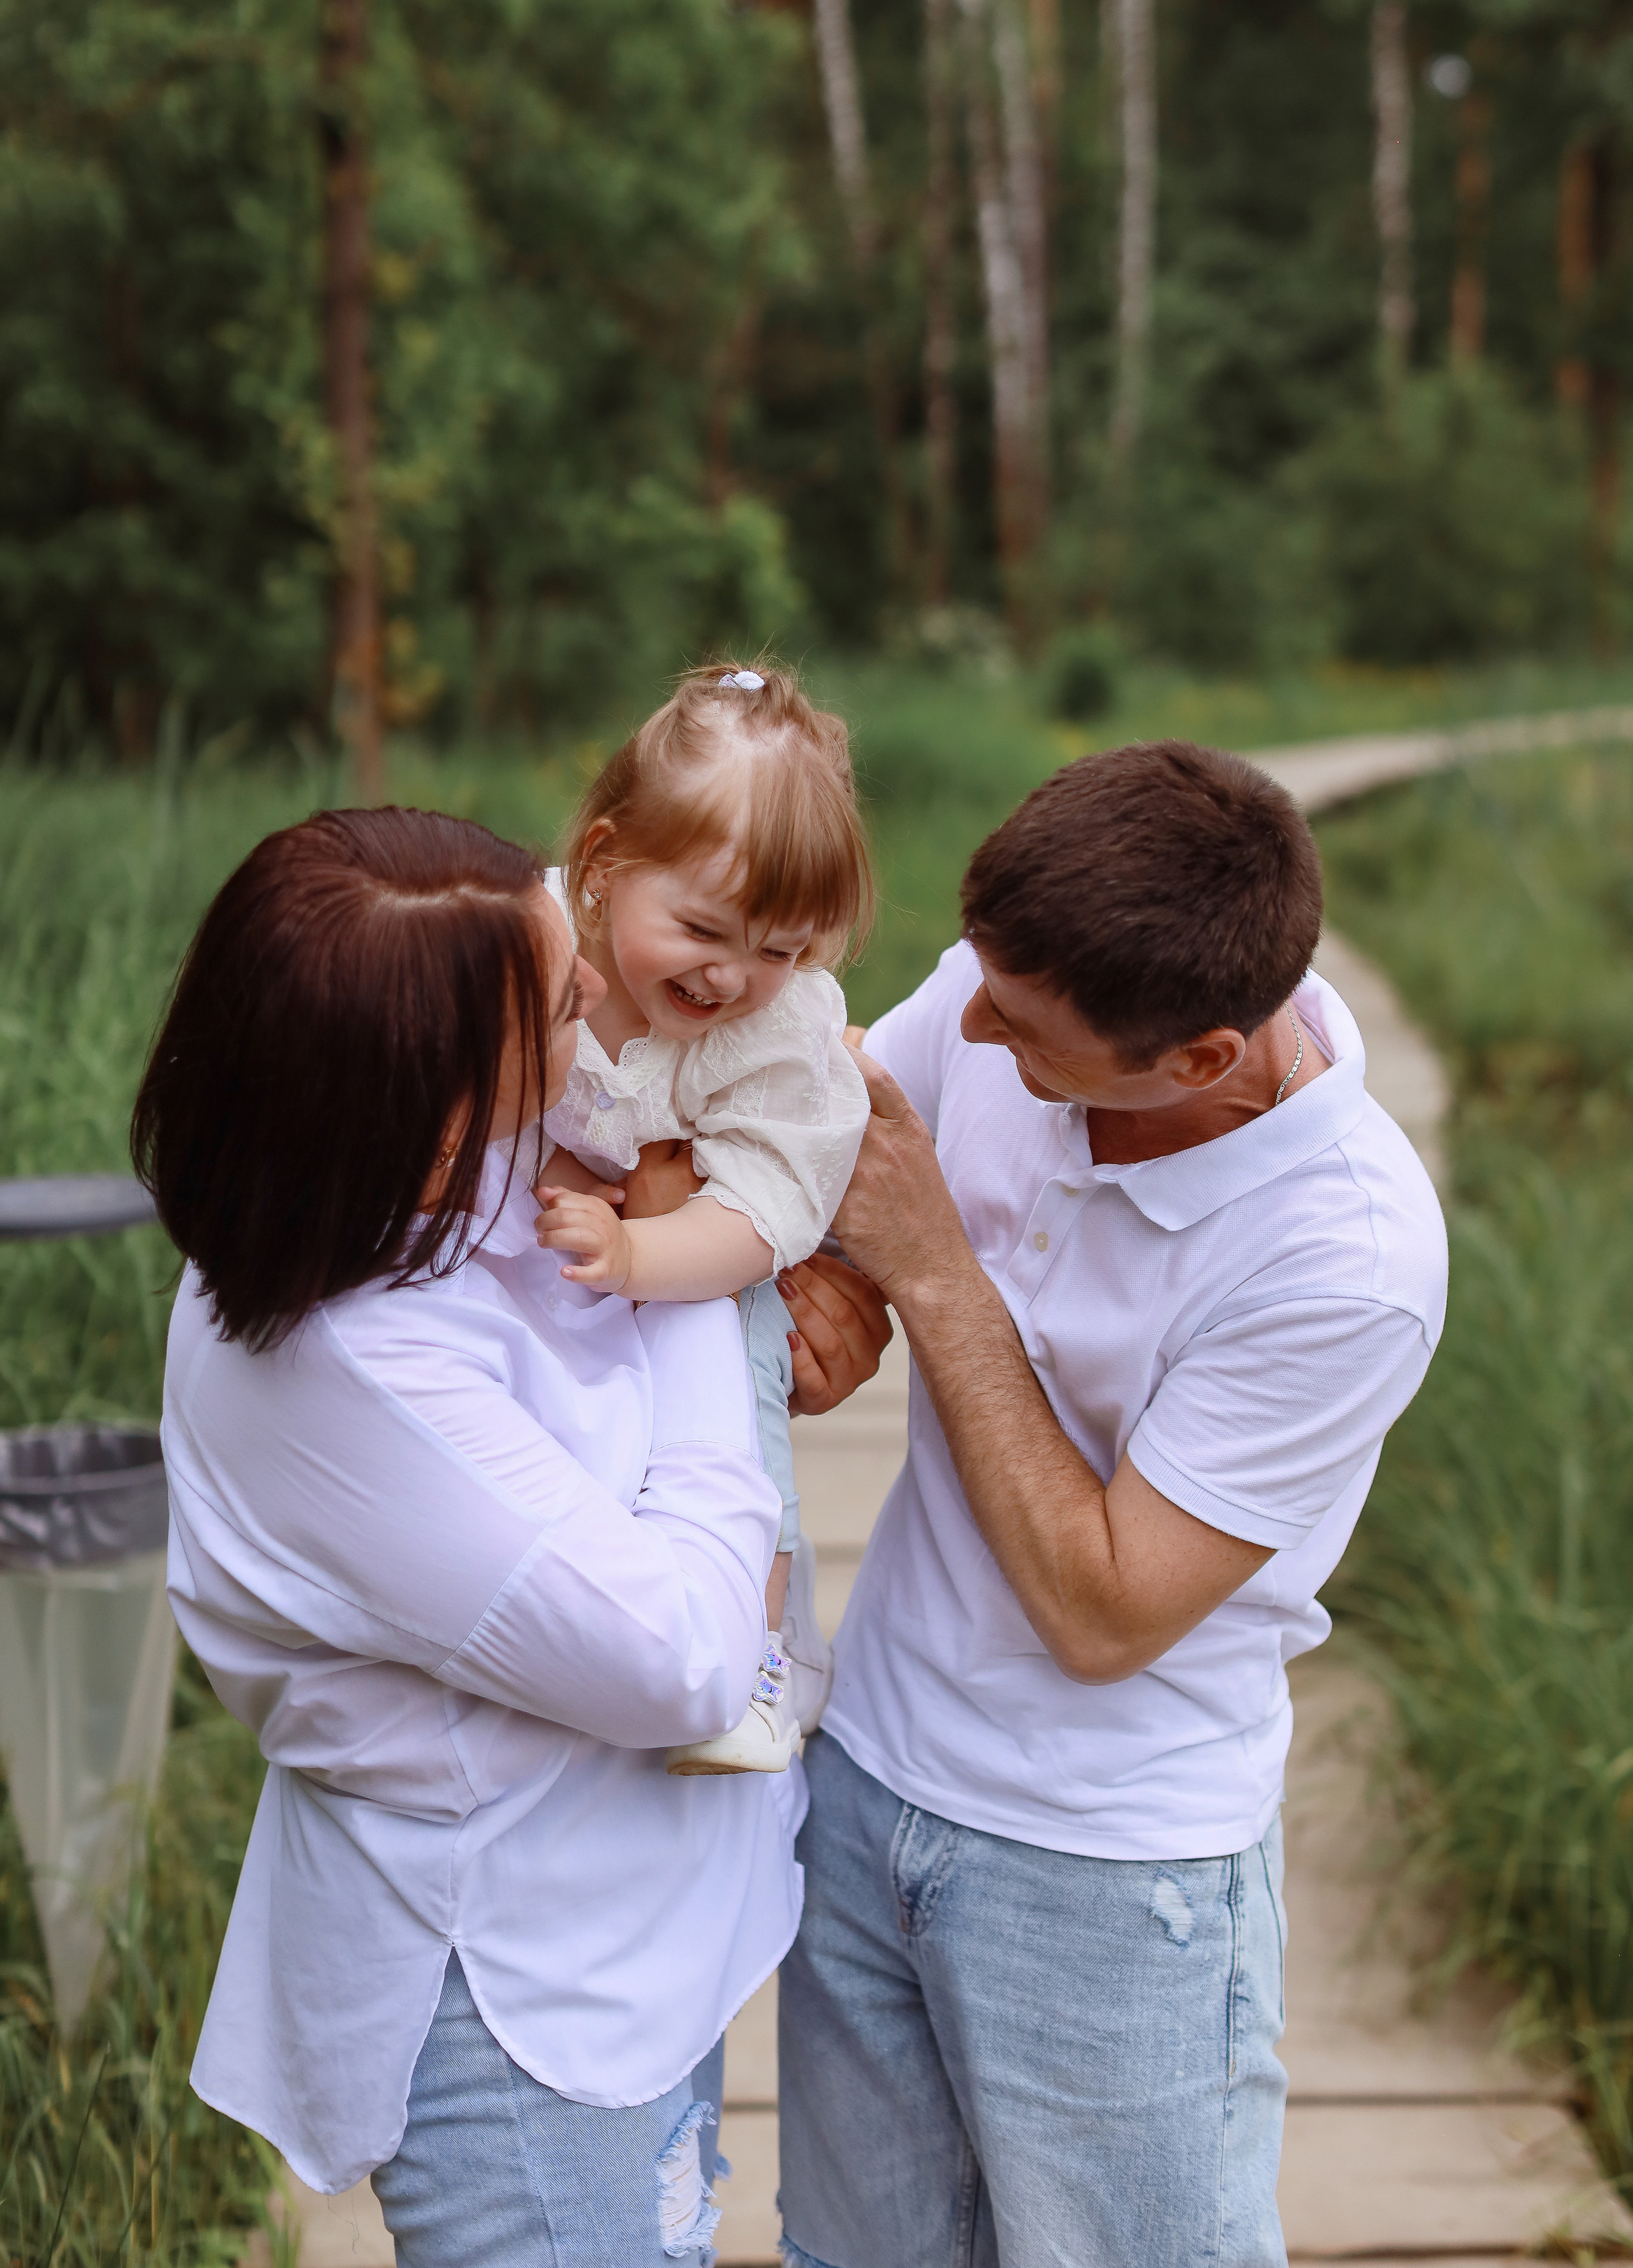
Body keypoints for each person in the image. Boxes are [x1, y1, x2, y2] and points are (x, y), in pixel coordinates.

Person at [129, 805, 873, 2268]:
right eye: (564, 1005)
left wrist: (765, 1274)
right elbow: (685, 1659)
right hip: (527, 2005)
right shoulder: (349, 1377)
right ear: (433, 1119)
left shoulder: (379, 1185)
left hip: (630, 1934)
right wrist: (691, 1288)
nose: (600, 995)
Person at [773, 740, 1449, 2268]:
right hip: (865, 1773)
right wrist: (831, 1294)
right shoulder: (1019, 983)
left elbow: (1103, 1610)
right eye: (978, 982)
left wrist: (931, 1275)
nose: (968, 1025)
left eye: (1019, 1031)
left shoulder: (1345, 1261)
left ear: (1200, 1059)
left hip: (1108, 1870)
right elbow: (834, 1160)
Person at [533, 663, 873, 1774]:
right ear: (604, 867)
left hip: (705, 1256)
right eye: (704, 930)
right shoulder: (534, 944)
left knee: (742, 1420)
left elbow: (763, 1209)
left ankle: (760, 1654)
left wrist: (641, 1251)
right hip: (548, 1244)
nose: (733, 977)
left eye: (782, 950)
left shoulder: (780, 1034)